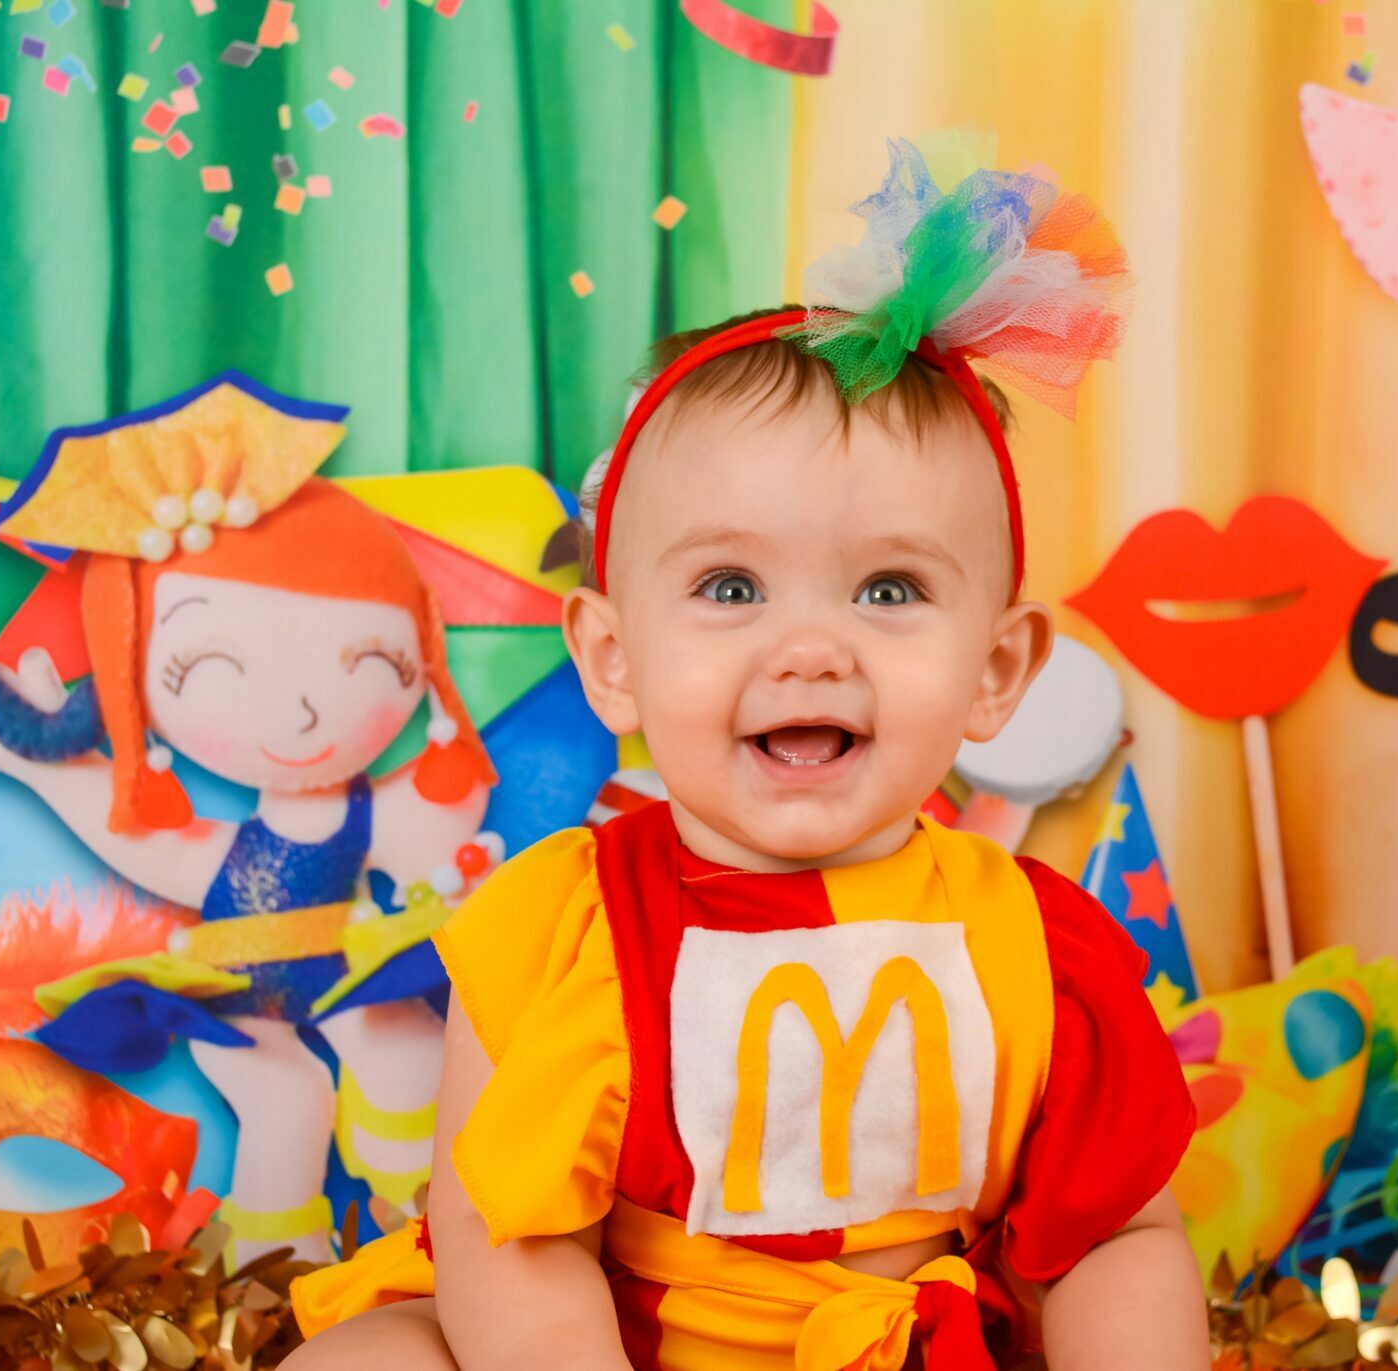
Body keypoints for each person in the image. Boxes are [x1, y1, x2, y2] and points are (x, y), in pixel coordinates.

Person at [287, 137, 1204, 1370]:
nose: (810, 650)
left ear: (996, 672)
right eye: (730, 587)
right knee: (368, 1360)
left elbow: (1116, 1236)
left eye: (889, 590)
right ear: (613, 657)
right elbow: (508, 1242)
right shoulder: (564, 929)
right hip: (601, 1344)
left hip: (908, 1351)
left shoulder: (1039, 949)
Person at [0, 377, 499, 1262]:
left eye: (370, 661)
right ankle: (277, 1267)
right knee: (286, 1100)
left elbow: (441, 825)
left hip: (347, 976)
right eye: (212, 667)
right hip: (235, 996)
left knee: (406, 1048)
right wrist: (47, 765)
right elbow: (144, 837)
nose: (301, 711)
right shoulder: (231, 848)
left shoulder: (372, 811)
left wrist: (467, 871)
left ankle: (437, 1226)